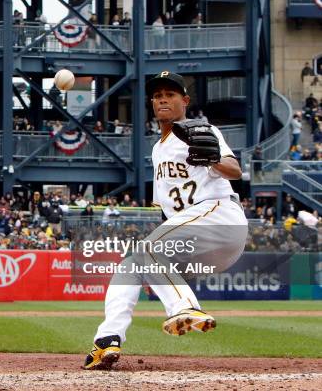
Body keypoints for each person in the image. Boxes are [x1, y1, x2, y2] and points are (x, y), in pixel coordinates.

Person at [83, 71, 247, 370]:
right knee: (131, 266)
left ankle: (185, 307)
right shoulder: (158, 149)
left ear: (184, 101)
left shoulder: (201, 129)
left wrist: (213, 160)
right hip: (196, 233)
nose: (162, 99)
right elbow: (168, 212)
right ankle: (106, 340)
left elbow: (235, 171)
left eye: (170, 94)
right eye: (158, 95)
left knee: (145, 251)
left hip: (218, 216)